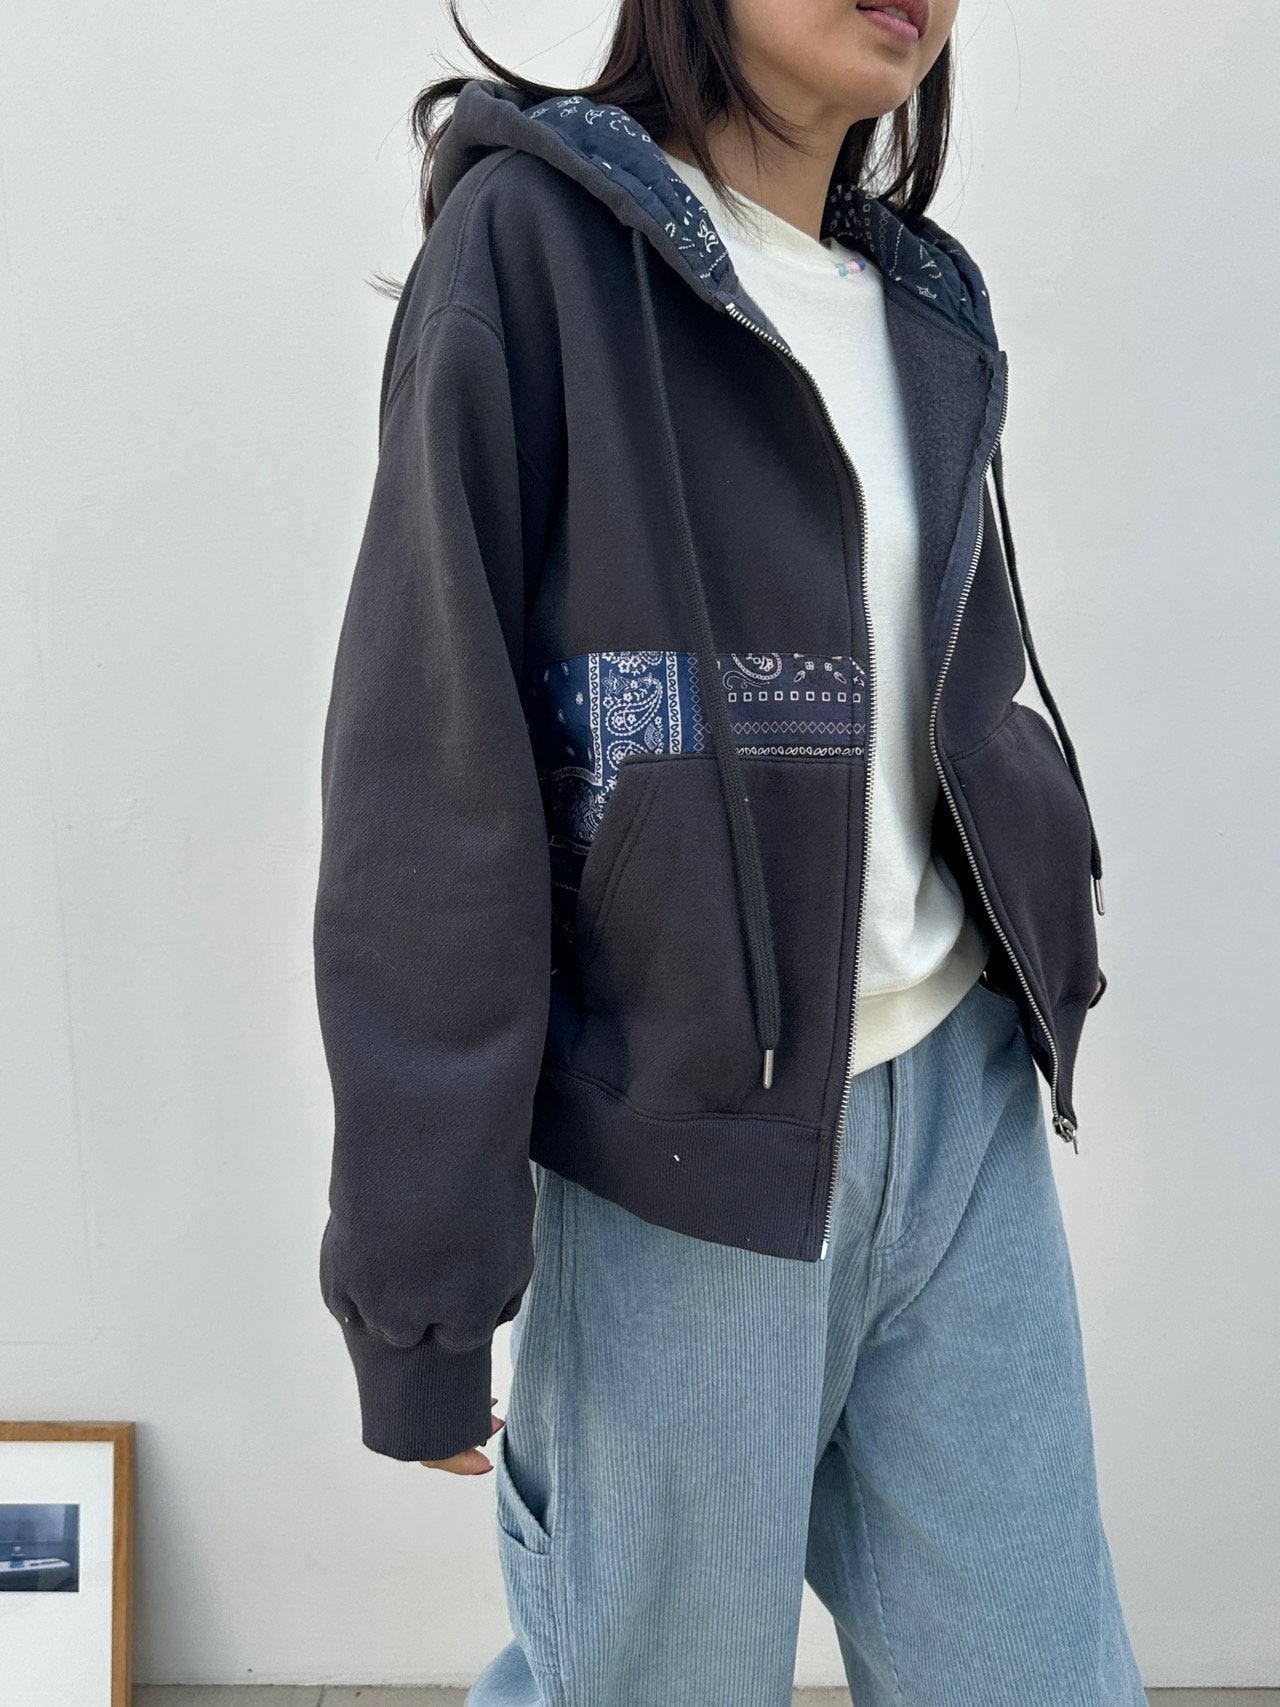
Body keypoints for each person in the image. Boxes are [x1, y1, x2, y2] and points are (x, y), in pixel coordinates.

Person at [312, 2, 1143, 1701]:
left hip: (961, 1124)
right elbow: (432, 783)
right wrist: (424, 1292)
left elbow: (942, 699)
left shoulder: (920, 300)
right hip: (680, 1160)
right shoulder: (533, 253)